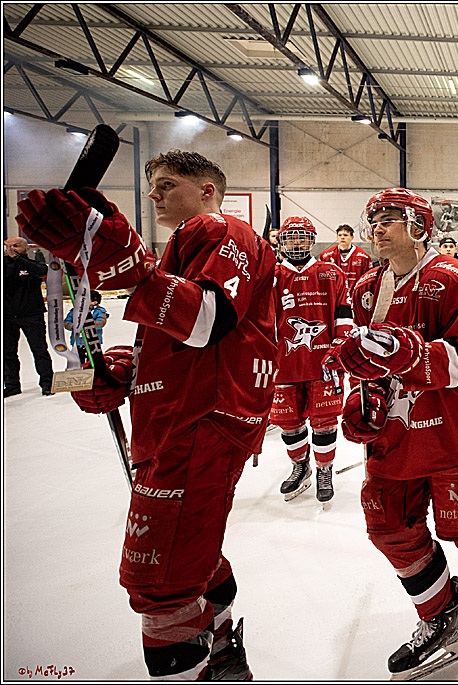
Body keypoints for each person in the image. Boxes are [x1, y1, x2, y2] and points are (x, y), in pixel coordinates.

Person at [17, 149, 277, 679]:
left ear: (207, 190)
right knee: (192, 554)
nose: (153, 194)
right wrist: (122, 370)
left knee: (159, 581)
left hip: (200, 421)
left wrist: (128, 266)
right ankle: (221, 651)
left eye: (167, 184)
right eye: (153, 185)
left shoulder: (219, 228)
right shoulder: (187, 244)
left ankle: (204, 661)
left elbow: (208, 319)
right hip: (185, 419)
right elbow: (175, 340)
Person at [322, 188, 458, 680]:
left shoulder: (453, 278)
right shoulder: (365, 288)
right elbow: (365, 359)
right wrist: (363, 398)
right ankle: (441, 617)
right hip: (396, 436)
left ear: (419, 227)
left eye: (390, 218)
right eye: (375, 219)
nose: (378, 228)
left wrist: (404, 353)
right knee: (389, 529)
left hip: (454, 433)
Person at [271, 216, 352, 504]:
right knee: (288, 422)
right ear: (282, 241)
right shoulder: (271, 275)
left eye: (302, 237)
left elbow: (344, 313)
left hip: (323, 362)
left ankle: (324, 470)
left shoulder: (331, 273)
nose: (296, 242)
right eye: (291, 237)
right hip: (283, 364)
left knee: (325, 422)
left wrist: (340, 345)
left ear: (311, 240)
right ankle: (300, 466)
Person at [4, 235, 54, 397]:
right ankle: (11, 385)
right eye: (9, 246)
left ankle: (47, 383)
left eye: (16, 246)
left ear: (26, 248)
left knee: (39, 350)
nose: (12, 249)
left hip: (32, 315)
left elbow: (41, 272)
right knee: (7, 353)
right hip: (7, 317)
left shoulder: (34, 264)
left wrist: (17, 259)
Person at [320, 223, 373, 298]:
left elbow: (368, 281)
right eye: (340, 235)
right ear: (337, 237)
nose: (342, 237)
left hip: (354, 297)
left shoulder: (363, 257)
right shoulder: (326, 256)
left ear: (352, 237)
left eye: (345, 235)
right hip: (333, 296)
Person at [64, 290, 109, 363]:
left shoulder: (99, 311)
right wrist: (75, 326)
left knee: (92, 360)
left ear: (95, 302)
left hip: (93, 342)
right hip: (78, 341)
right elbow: (66, 322)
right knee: (78, 360)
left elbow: (101, 323)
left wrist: (87, 324)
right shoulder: (75, 310)